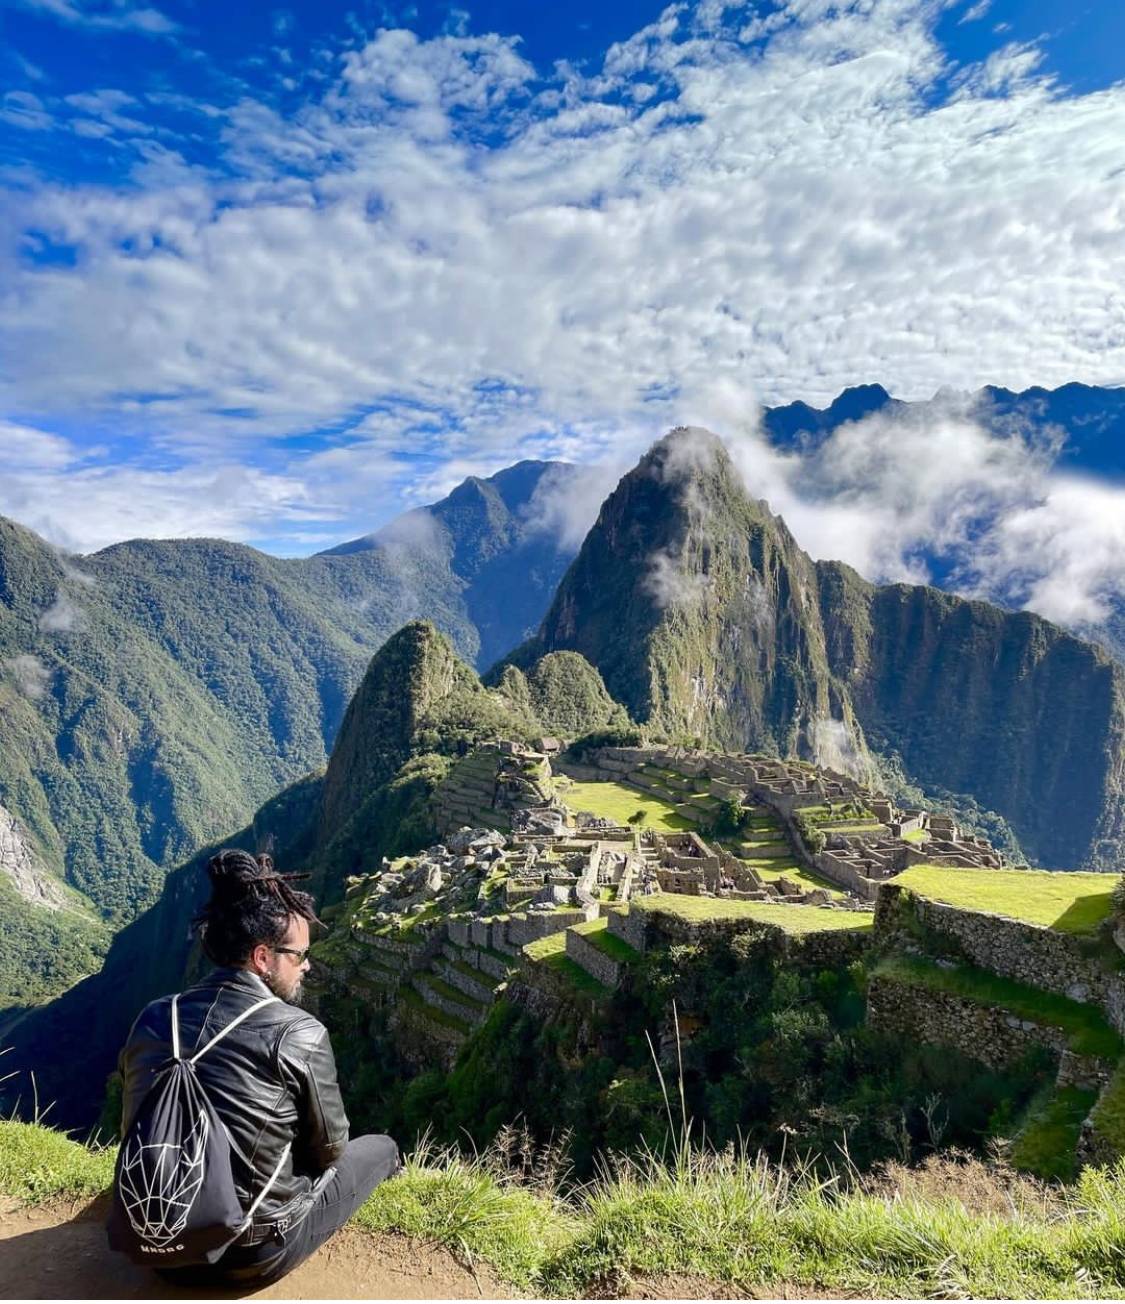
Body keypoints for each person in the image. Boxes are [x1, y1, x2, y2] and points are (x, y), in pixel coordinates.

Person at [116, 848, 400, 1288]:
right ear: (263, 957)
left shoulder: (155, 1018)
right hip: (249, 1258)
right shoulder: (298, 1033)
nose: (307, 965)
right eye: (300, 954)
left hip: (156, 1246)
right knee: (381, 1148)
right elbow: (330, 1151)